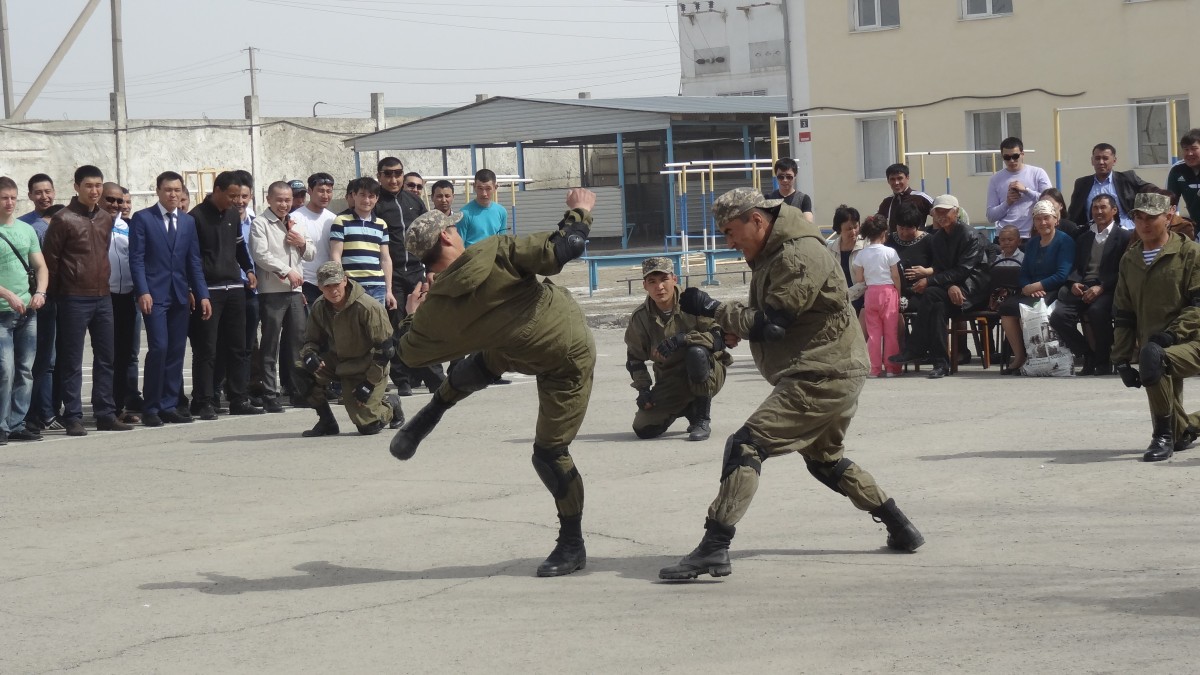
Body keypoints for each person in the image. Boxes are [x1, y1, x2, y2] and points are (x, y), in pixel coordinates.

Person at [657, 188, 923, 581]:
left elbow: (773, 325)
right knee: (824, 460)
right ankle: (900, 526)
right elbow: (774, 317)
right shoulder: (775, 252)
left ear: (758, 221)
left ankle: (714, 547)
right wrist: (727, 329)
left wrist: (715, 309)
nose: (729, 243)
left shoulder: (797, 254)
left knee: (747, 445)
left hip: (822, 373)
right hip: (830, 368)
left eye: (732, 232)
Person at [387, 189, 597, 578]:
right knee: (549, 453)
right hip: (564, 349)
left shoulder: (437, 311)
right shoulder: (495, 250)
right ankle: (572, 543)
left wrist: (413, 316)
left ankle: (433, 409)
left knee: (478, 365)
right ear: (448, 237)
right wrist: (579, 212)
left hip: (514, 347)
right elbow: (565, 248)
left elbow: (408, 353)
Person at [1111, 192, 1200, 462]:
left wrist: (1172, 334)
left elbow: (1198, 305)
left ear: (1169, 216)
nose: (1144, 224)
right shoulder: (1130, 260)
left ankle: (1161, 437)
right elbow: (1124, 313)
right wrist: (1122, 359)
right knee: (1180, 433)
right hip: (1154, 345)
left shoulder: (1190, 253)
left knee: (1152, 356)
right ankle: (1179, 432)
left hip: (1191, 341)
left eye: (1152, 217)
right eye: (1139, 217)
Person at [43, 165, 131, 435]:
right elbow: (51, 261)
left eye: (98, 186)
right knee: (72, 359)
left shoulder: (106, 218)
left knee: (107, 357)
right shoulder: (63, 219)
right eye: (89, 186)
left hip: (103, 297)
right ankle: (73, 416)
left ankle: (105, 413)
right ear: (76, 187)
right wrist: (58, 294)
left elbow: (103, 253)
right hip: (73, 298)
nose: (95, 191)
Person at [129, 171, 211, 427]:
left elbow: (193, 260)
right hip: (154, 295)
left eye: (177, 190)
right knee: (159, 348)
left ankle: (168, 404)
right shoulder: (143, 219)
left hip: (179, 296)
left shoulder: (187, 222)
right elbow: (137, 258)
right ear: (158, 191)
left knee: (176, 351)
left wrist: (202, 293)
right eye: (167, 190)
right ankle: (151, 406)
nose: (172, 195)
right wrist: (143, 290)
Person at [625, 257, 730, 442]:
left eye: (664, 279)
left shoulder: (694, 302)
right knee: (643, 429)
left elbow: (720, 338)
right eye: (652, 282)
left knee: (695, 353)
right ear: (644, 285)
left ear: (674, 279)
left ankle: (702, 418)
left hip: (709, 371)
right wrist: (643, 390)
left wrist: (683, 340)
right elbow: (634, 358)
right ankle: (688, 407)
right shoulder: (640, 318)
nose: (659, 287)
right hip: (671, 378)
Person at [295, 261, 404, 437]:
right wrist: (309, 354)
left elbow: (385, 351)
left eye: (336, 284)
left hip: (367, 367)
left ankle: (391, 404)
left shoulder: (368, 307)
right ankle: (326, 421)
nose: (333, 290)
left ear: (345, 280)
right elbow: (311, 340)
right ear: (320, 287)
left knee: (368, 426)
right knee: (301, 368)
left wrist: (369, 384)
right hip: (337, 361)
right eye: (327, 286)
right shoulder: (319, 306)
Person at [888, 194, 989, 379]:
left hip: (971, 289)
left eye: (946, 211)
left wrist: (931, 281)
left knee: (932, 294)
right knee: (937, 306)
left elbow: (964, 269)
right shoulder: (938, 238)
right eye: (937, 212)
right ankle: (940, 364)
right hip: (949, 290)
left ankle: (916, 349)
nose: (941, 215)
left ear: (956, 212)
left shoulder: (969, 235)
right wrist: (949, 285)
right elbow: (941, 267)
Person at [188, 170, 262, 419]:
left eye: (239, 196)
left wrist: (248, 269)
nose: (235, 201)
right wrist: (197, 291)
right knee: (207, 349)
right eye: (230, 196)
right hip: (209, 291)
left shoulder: (232, 215)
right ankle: (204, 400)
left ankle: (238, 398)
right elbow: (192, 259)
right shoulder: (196, 217)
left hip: (235, 289)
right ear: (216, 190)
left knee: (237, 347)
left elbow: (240, 245)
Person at [375, 156, 442, 397]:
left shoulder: (414, 201)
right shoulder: (376, 203)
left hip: (416, 272)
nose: (394, 179)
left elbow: (431, 238)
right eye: (388, 174)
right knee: (396, 329)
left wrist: (430, 271)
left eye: (398, 173)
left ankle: (435, 379)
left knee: (423, 326)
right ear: (379, 176)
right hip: (390, 277)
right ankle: (402, 379)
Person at [1048, 195, 1130, 376]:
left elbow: (1125, 270)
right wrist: (1073, 282)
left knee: (1097, 311)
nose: (1099, 212)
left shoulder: (1124, 237)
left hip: (1108, 288)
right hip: (1083, 286)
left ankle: (1103, 361)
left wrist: (1101, 287)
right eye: (1095, 208)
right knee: (1058, 317)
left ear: (1114, 211)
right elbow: (1075, 265)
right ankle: (1087, 354)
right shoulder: (1084, 236)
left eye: (1103, 207)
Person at [250, 181, 315, 413]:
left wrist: (302, 243)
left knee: (298, 344)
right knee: (270, 344)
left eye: (288, 200)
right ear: (269, 199)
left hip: (296, 292)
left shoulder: (296, 221)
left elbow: (311, 253)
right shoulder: (260, 223)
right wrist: (286, 271)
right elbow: (260, 254)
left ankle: (298, 391)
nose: (284, 204)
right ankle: (270, 393)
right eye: (279, 199)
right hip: (272, 292)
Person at [996, 200, 1075, 375]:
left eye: (1046, 218)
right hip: (1031, 289)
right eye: (1038, 219)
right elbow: (1024, 273)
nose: (1043, 223)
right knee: (1007, 308)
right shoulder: (1032, 244)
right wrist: (1026, 287)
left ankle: (1039, 359)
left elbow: (1062, 274)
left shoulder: (1064, 241)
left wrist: (1036, 286)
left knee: (1033, 307)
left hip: (1054, 289)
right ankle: (1020, 357)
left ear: (1055, 219)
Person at [0, 176, 48, 443]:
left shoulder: (25, 230)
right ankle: (1, 424)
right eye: (4, 197)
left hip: (26, 311)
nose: (9, 203)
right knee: (4, 370)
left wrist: (40, 292)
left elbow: (40, 266)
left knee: (24, 369)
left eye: (12, 197)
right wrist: (7, 294)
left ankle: (17, 423)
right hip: (2, 311)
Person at [101, 182, 140, 424]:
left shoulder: (126, 227)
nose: (115, 205)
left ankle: (117, 408)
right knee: (106, 357)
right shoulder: (94, 224)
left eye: (119, 201)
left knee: (124, 355)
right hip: (102, 297)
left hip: (127, 296)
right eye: (110, 200)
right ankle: (101, 408)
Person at [329, 177, 396, 309]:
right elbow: (335, 255)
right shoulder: (341, 221)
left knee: (376, 327)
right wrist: (341, 283)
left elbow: (385, 259)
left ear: (377, 198)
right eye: (362, 195)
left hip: (378, 286)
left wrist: (389, 291)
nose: (366, 200)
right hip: (352, 285)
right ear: (354, 195)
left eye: (371, 196)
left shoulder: (381, 224)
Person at [852, 215, 902, 378]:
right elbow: (895, 275)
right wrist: (898, 293)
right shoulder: (890, 252)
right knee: (890, 332)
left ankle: (874, 368)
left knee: (873, 334)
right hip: (888, 292)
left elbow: (859, 279)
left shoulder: (861, 254)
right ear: (884, 233)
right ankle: (891, 367)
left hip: (870, 293)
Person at [1066, 143, 1148, 229]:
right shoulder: (1082, 184)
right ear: (1092, 161)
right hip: (1093, 234)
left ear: (1114, 161)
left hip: (1126, 232)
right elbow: (1073, 214)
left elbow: (1149, 189)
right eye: (1097, 158)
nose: (1101, 162)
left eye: (1105, 158)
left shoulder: (1127, 179)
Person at [984, 137, 1053, 240]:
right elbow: (991, 216)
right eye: (1007, 157)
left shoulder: (1037, 173)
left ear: (1022, 154)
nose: (1011, 161)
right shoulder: (995, 179)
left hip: (1031, 236)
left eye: (1015, 156)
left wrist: (1026, 191)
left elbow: (1050, 202)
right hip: (1005, 237)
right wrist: (1007, 202)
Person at [291, 173, 336, 305]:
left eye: (329, 191)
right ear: (310, 191)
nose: (325, 195)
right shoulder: (295, 218)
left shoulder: (333, 219)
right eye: (321, 191)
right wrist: (298, 288)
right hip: (306, 283)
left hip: (329, 283)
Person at [827, 204, 865, 314]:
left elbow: (865, 282)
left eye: (856, 227)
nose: (853, 232)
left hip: (860, 298)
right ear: (839, 228)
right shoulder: (830, 248)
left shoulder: (865, 247)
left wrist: (846, 295)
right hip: (837, 297)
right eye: (849, 229)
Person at [457, 169, 508, 247]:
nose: (484, 194)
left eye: (488, 189)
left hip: (494, 257)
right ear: (474, 187)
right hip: (473, 258)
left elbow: (503, 243)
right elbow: (459, 246)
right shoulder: (464, 214)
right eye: (480, 188)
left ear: (495, 187)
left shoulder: (501, 212)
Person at [877, 163, 933, 231]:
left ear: (907, 177)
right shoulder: (887, 201)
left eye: (899, 178)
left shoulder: (921, 198)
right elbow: (877, 224)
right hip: (893, 241)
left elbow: (940, 214)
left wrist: (929, 232)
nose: (896, 182)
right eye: (892, 179)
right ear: (888, 181)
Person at [1167, 128, 1200, 221]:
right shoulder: (1177, 170)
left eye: (1194, 149)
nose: (1189, 153)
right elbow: (1170, 202)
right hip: (1196, 226)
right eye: (1186, 149)